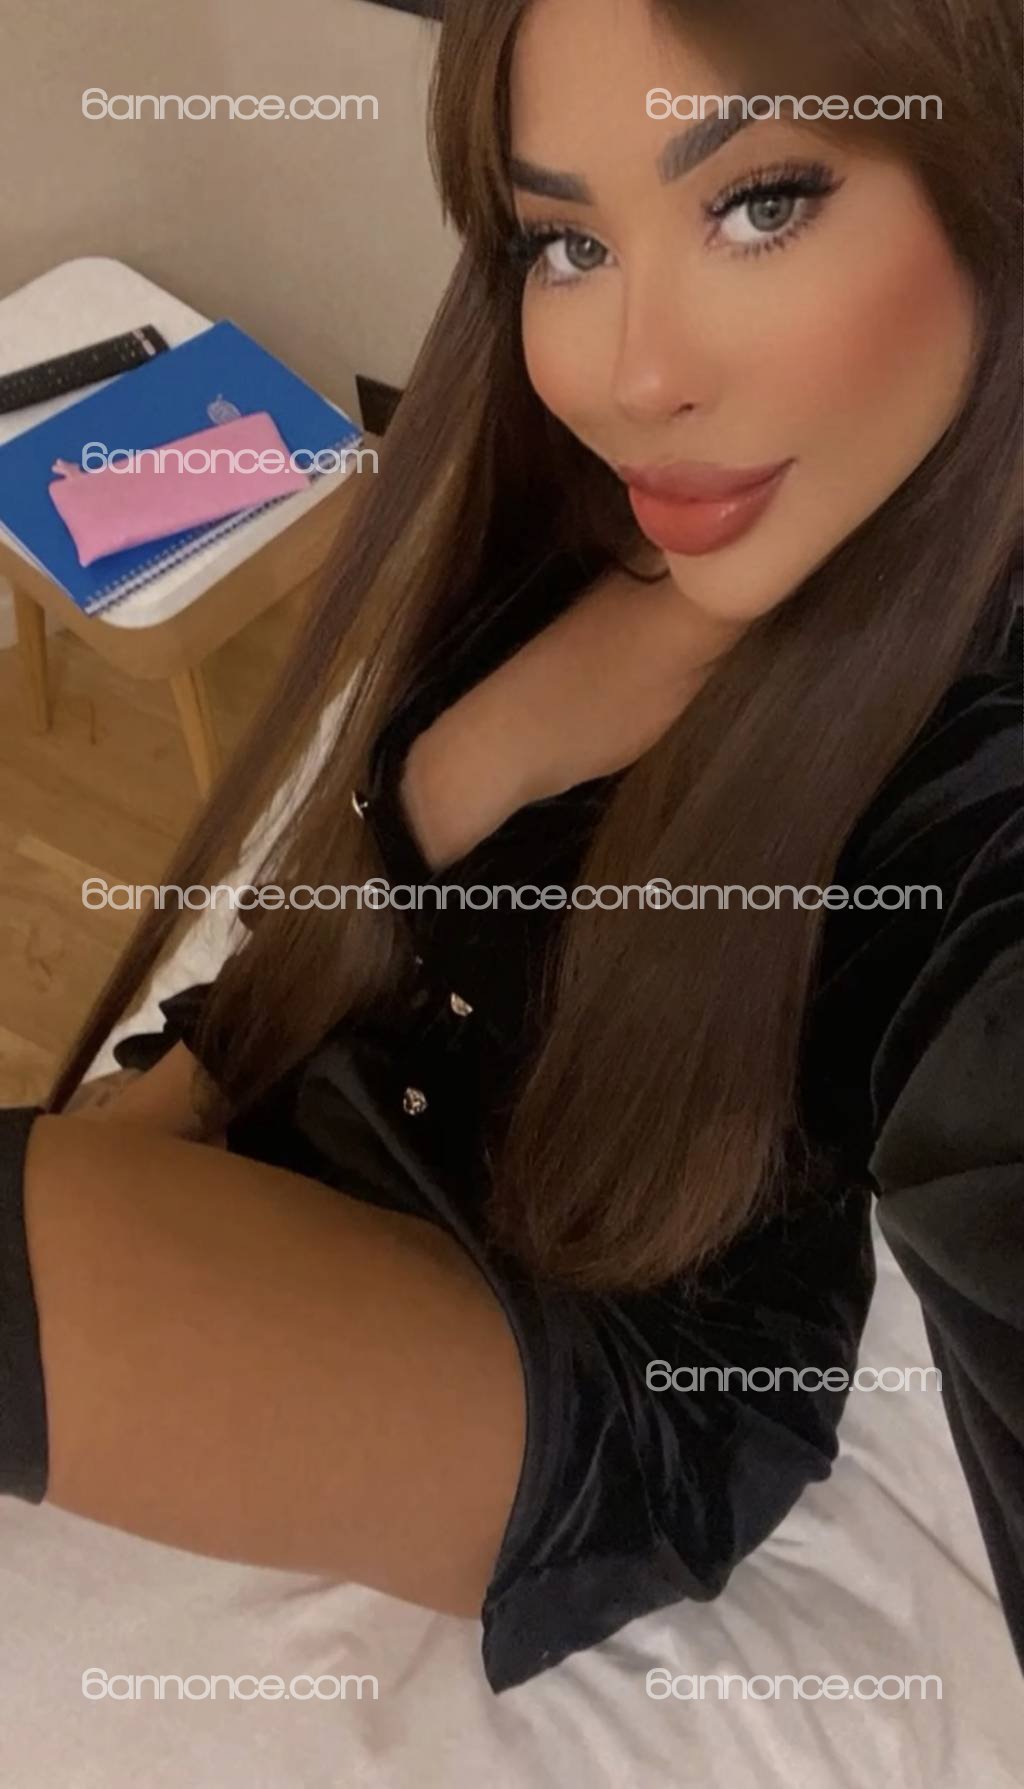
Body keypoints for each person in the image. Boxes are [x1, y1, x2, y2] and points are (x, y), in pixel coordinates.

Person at [1, 0, 1021, 1693]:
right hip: (348, 1118)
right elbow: (357, 897)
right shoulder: (570, 498)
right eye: (569, 242)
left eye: (762, 202)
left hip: (611, 1354)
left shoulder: (962, 796)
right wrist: (190, 1082)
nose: (633, 374)